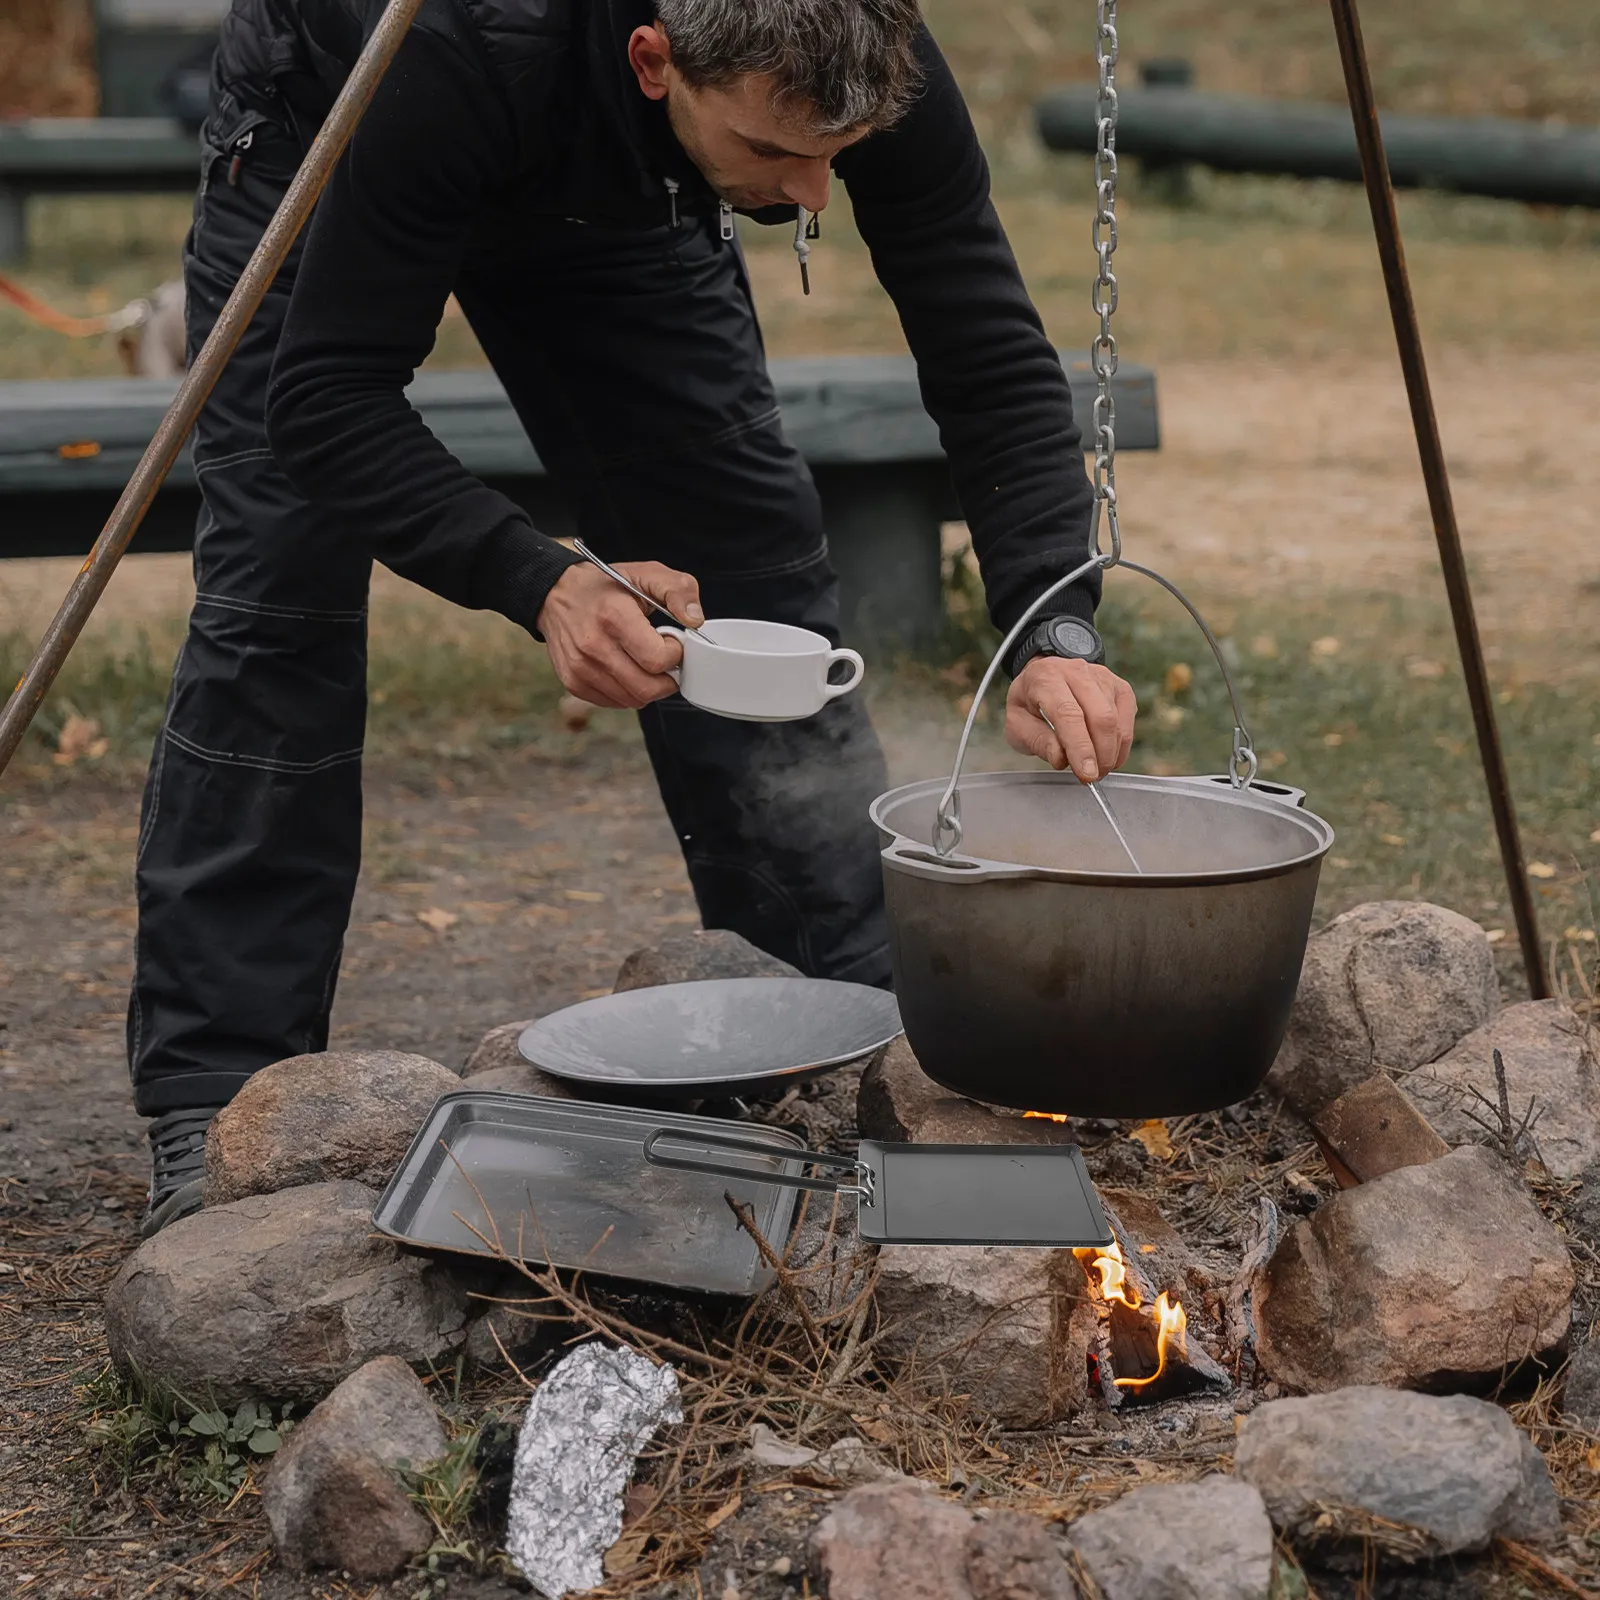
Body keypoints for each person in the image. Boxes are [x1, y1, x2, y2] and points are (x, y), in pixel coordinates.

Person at [130, 0, 1139, 1236]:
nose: (816, 195)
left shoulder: (856, 44)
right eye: (776, 156)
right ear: (658, 59)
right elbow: (328, 399)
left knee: (747, 575)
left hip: (620, 190)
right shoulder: (461, 46)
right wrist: (539, 576)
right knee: (278, 599)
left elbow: (982, 341)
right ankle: (223, 1095)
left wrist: (1052, 622)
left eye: (839, 150)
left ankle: (848, 1026)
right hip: (335, 119)